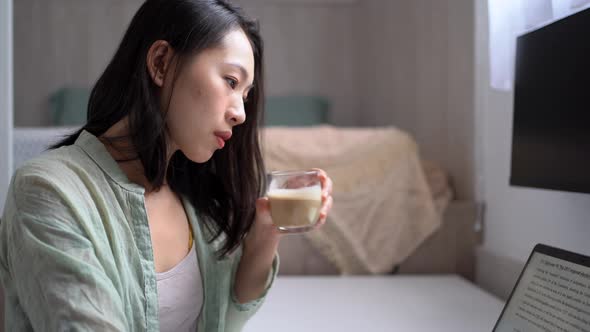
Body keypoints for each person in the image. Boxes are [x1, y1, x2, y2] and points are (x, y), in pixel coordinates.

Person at [0, 0, 334, 331]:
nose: (241, 113)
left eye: (246, 96)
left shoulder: (196, 202)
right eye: (231, 82)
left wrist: (266, 230)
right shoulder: (48, 191)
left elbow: (223, 319)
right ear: (161, 63)